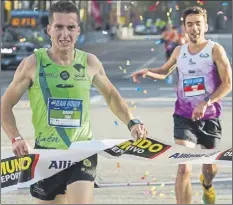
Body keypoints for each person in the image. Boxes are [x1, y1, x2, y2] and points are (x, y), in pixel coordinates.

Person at [1, 1, 148, 204]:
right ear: (48, 29)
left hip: (82, 151)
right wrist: (15, 137)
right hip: (47, 155)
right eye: (59, 27)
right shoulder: (33, 64)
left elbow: (111, 96)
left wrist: (132, 122)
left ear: (78, 30)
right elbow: (5, 105)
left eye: (70, 27)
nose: (65, 34)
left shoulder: (90, 62)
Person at [131, 6, 232, 204]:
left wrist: (206, 102)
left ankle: (207, 184)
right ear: (184, 27)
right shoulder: (179, 51)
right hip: (183, 118)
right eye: (190, 24)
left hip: (209, 118)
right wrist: (148, 72)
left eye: (198, 24)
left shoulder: (215, 50)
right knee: (184, 166)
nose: (194, 28)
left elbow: (228, 83)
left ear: (205, 26)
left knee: (209, 168)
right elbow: (164, 70)